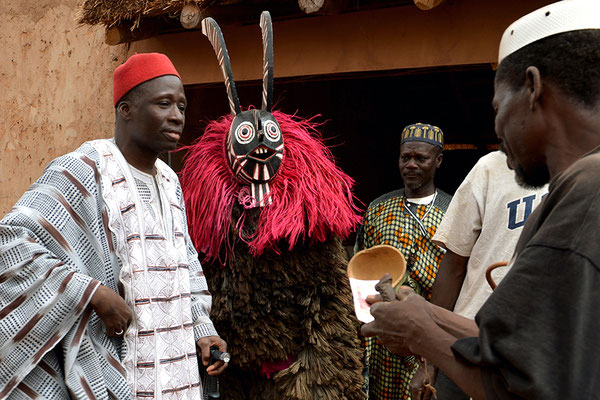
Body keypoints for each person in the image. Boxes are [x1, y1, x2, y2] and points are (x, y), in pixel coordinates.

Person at [362, 1, 600, 398]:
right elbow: (525, 346)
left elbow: (527, 385)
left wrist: (421, 336)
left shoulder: (585, 195)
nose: (497, 127)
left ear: (532, 87)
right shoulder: (578, 185)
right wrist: (428, 314)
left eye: (497, 107)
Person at [0, 53, 226, 399]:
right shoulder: (82, 171)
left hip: (177, 368)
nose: (177, 116)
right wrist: (90, 292)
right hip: (117, 367)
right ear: (126, 109)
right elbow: (10, 242)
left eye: (181, 106)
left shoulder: (169, 181)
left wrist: (203, 327)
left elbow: (185, 262)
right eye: (164, 104)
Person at [409, 150, 548, 400]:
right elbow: (453, 264)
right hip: (467, 342)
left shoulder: (583, 176)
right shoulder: (489, 167)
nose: (500, 124)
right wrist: (428, 360)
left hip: (540, 352)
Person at [354, 122, 451, 399]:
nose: (411, 164)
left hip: (432, 335)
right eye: (405, 157)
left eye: (421, 158)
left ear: (438, 161)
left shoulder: (453, 211)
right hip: (384, 336)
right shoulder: (378, 209)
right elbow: (359, 269)